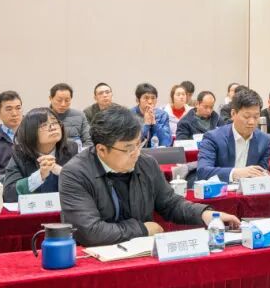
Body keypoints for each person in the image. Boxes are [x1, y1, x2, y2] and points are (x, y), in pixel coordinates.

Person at [59, 106, 239, 247]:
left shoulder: (146, 163)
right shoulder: (75, 174)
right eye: (128, 148)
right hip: (98, 260)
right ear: (102, 150)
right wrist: (142, 229)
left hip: (142, 252)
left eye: (138, 144)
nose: (136, 153)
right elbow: (90, 232)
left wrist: (205, 214)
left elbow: (170, 203)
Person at [0, 108, 78, 202]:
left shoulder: (71, 149)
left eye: (55, 122)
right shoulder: (20, 154)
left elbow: (86, 185)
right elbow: (9, 194)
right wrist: (40, 175)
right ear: (30, 132)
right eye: (44, 125)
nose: (53, 128)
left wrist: (62, 171)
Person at [196, 88, 270, 182]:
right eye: (246, 116)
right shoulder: (213, 138)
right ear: (233, 114)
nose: (252, 122)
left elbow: (261, 171)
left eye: (256, 117)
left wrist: (263, 174)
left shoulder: (264, 140)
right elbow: (203, 171)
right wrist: (235, 173)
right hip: (221, 189)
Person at [49, 83, 91, 149]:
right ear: (50, 98)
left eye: (67, 100)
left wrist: (82, 153)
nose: (63, 104)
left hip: (77, 153)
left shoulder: (80, 115)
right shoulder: (43, 117)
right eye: (59, 100)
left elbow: (88, 140)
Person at [132, 83, 172, 147]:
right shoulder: (130, 115)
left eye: (153, 98)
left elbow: (166, 142)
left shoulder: (162, 115)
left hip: (157, 152)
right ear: (137, 100)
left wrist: (154, 124)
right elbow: (131, 143)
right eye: (146, 98)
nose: (150, 102)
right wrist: (146, 125)